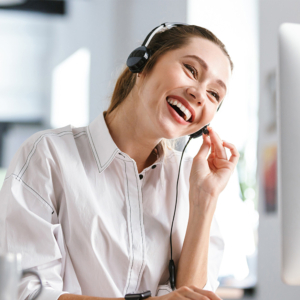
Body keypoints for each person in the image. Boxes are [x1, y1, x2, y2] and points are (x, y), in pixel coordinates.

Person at [0, 23, 239, 300]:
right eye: (191, 70)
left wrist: (204, 199)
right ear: (143, 63)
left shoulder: (190, 180)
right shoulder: (48, 156)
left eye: (214, 94)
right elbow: (25, 293)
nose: (199, 94)